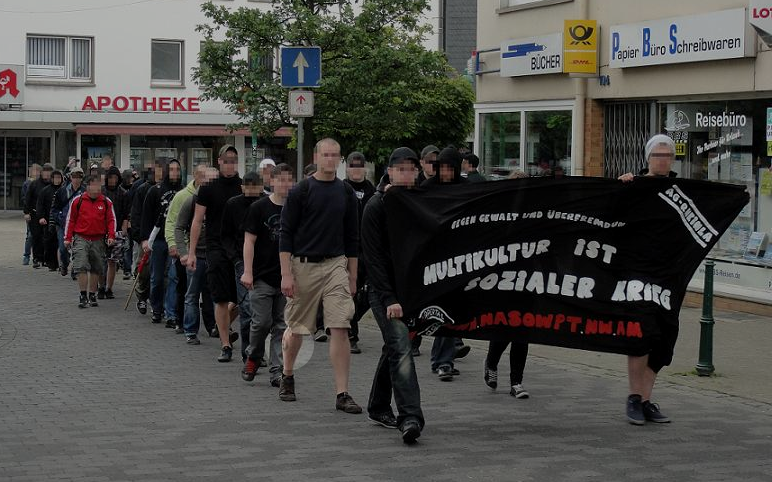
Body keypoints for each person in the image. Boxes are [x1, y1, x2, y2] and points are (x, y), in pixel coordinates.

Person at [278, 138, 361, 414]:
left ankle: (342, 393)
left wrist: (352, 275)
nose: (330, 160)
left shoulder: (346, 192)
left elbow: (352, 237)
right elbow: (285, 234)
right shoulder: (302, 191)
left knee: (340, 325)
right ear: (316, 156)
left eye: (335, 155)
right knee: (298, 329)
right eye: (326, 155)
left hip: (336, 264)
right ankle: (287, 374)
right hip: (303, 265)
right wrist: (286, 274)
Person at [361, 147, 425, 444]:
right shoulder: (376, 206)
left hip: (409, 290)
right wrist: (389, 298)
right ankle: (410, 416)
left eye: (411, 169)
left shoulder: (418, 202)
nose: (407, 174)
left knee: (393, 347)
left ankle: (377, 406)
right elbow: (373, 259)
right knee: (401, 348)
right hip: (384, 292)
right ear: (390, 170)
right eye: (401, 169)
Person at [617, 133, 677, 425]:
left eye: (667, 156)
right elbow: (612, 215)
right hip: (639, 273)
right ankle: (633, 397)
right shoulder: (635, 187)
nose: (662, 160)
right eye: (658, 155)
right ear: (648, 158)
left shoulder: (682, 190)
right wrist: (622, 188)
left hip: (670, 275)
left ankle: (646, 399)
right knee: (641, 334)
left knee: (664, 341)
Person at [187, 145, 243, 363]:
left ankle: (233, 331)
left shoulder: (244, 186)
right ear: (219, 162)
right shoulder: (208, 188)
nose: (230, 164)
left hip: (239, 249)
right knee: (219, 297)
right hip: (216, 248)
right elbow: (197, 221)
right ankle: (225, 344)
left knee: (244, 298)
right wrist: (191, 252)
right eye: (226, 160)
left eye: (233, 160)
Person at [241, 163, 295, 387]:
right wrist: (247, 271)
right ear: (271, 182)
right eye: (280, 180)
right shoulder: (259, 207)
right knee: (261, 322)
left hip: (287, 278)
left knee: (281, 326)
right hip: (262, 275)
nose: (284, 184)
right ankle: (253, 355)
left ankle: (277, 370)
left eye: (288, 180)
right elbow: (249, 241)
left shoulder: (296, 208)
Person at [421, 148, 469, 381]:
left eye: (451, 168)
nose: (447, 173)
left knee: (452, 311)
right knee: (442, 311)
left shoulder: (465, 188)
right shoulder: (428, 187)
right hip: (435, 258)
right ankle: (441, 360)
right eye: (443, 168)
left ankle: (444, 360)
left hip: (459, 257)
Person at [222, 171, 265, 361]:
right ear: (242, 187)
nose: (252, 190)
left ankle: (257, 350)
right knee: (247, 306)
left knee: (262, 311)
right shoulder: (233, 205)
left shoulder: (266, 203)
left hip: (264, 263)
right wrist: (235, 258)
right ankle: (249, 352)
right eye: (248, 186)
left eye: (256, 186)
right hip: (241, 260)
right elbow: (226, 234)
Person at [175, 166, 219, 345]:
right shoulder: (191, 201)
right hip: (197, 255)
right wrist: (183, 253)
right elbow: (178, 227)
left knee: (212, 294)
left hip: (215, 254)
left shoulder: (220, 201)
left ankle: (212, 326)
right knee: (192, 294)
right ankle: (191, 330)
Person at [63, 175, 117, 308]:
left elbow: (111, 220)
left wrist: (111, 236)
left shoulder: (106, 202)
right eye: (94, 186)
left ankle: (92, 294)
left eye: (99, 186)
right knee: (81, 266)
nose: (97, 189)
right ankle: (83, 295)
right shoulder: (78, 201)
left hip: (98, 239)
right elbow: (71, 220)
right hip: (81, 237)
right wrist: (67, 238)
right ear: (88, 186)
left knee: (96, 268)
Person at [141, 159, 183, 326]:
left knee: (173, 278)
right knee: (157, 278)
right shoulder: (154, 191)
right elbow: (146, 216)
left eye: (177, 170)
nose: (174, 172)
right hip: (158, 240)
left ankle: (170, 312)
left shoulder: (183, 191)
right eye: (171, 169)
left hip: (177, 240)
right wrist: (145, 239)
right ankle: (156, 308)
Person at [344, 151, 376, 354]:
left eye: (359, 165)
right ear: (347, 167)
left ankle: (351, 322)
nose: (356, 169)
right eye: (352, 165)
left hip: (368, 248)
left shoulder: (371, 190)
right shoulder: (342, 189)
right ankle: (351, 334)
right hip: (348, 248)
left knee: (370, 291)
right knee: (350, 292)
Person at [130, 160, 161, 315]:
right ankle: (142, 296)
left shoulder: (165, 189)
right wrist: (139, 237)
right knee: (144, 269)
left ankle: (158, 302)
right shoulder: (142, 189)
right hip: (145, 235)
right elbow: (135, 214)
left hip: (162, 237)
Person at [98, 167, 129, 299]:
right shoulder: (101, 192)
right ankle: (100, 286)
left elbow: (126, 213)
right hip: (101, 230)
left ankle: (109, 288)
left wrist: (124, 229)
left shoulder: (123, 193)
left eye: (115, 178)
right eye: (110, 178)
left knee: (112, 261)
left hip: (117, 231)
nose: (113, 181)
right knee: (100, 260)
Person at [51, 166, 85, 277]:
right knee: (63, 248)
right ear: (70, 177)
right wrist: (59, 218)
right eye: (74, 176)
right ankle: (64, 264)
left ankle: (75, 270)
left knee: (77, 249)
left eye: (79, 176)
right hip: (63, 224)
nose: (76, 179)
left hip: (79, 225)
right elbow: (54, 208)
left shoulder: (85, 192)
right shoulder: (62, 191)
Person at [24, 163, 53, 269]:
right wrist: (26, 212)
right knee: (36, 236)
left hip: (48, 215)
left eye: (49, 172)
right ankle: (36, 258)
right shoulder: (34, 184)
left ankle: (46, 258)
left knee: (46, 237)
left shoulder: (53, 185)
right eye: (45, 172)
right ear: (42, 173)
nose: (47, 174)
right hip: (35, 214)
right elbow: (27, 198)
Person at [35, 169, 64, 271]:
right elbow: (39, 205)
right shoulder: (45, 191)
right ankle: (51, 263)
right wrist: (41, 217)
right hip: (48, 221)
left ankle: (61, 264)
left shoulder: (64, 190)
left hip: (61, 221)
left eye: (59, 178)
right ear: (52, 179)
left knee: (60, 243)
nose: (57, 180)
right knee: (49, 243)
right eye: (55, 178)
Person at [21, 163, 41, 265]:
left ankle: (37, 257)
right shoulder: (27, 184)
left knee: (38, 235)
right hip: (31, 212)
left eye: (38, 171)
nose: (36, 173)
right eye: (35, 171)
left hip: (40, 213)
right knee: (30, 235)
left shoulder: (42, 184)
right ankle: (26, 255)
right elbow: (25, 199)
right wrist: (27, 212)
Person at [121, 169, 136, 280]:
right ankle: (127, 269)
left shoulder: (134, 188)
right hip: (126, 220)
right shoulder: (123, 191)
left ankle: (128, 268)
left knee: (130, 246)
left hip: (132, 220)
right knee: (127, 247)